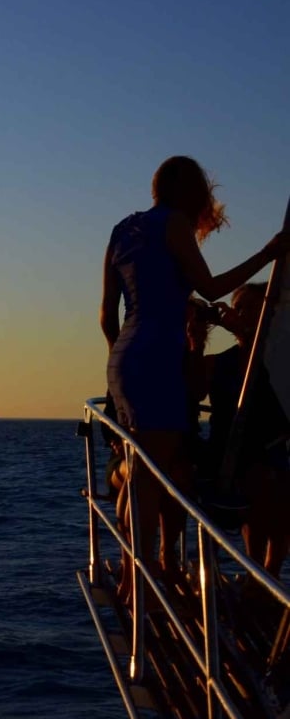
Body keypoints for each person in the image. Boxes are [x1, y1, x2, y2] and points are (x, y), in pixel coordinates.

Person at [101, 156, 285, 602]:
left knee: (141, 469)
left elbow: (107, 317)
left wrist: (122, 363)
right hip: (158, 360)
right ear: (190, 192)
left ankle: (132, 576)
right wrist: (268, 253)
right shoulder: (175, 225)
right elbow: (211, 287)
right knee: (151, 476)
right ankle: (139, 582)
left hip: (125, 359)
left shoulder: (122, 229)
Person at [192, 283, 290, 578]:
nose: (242, 313)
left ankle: (268, 574)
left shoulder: (276, 361)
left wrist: (247, 335)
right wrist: (195, 343)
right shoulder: (218, 363)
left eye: (251, 307)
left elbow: (260, 370)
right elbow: (194, 392)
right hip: (230, 452)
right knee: (258, 481)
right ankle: (256, 572)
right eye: (239, 308)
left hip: (271, 447)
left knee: (277, 486)